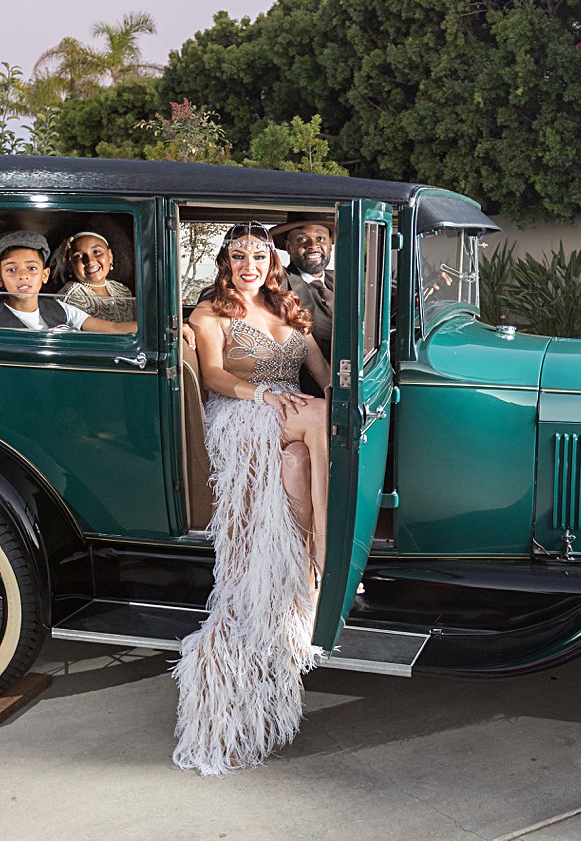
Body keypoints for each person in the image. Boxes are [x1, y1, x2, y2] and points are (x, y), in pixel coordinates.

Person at [173, 222, 330, 775]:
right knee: (315, 417)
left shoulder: (289, 311)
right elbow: (213, 375)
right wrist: (263, 394)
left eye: (259, 256)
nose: (249, 265)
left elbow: (323, 374)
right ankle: (328, 561)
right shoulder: (209, 313)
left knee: (305, 451)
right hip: (240, 415)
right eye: (239, 256)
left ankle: (304, 562)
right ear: (225, 261)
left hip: (289, 419)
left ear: (272, 262)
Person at [0, 231, 135, 333]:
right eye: (11, 270)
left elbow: (114, 328)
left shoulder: (62, 309)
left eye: (31, 268)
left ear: (45, 275)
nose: (23, 276)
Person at [269, 213, 336, 396]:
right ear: (289, 247)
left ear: (330, 243)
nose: (313, 246)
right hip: (311, 390)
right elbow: (232, 290)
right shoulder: (280, 280)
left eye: (320, 238)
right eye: (302, 239)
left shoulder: (343, 278)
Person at [56, 231, 137, 322]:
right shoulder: (70, 297)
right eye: (78, 256)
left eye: (96, 252)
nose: (90, 261)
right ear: (70, 265)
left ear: (110, 256)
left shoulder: (122, 290)